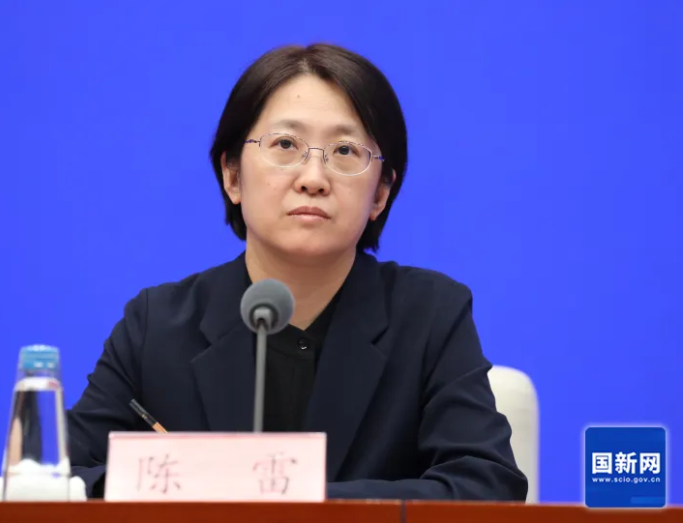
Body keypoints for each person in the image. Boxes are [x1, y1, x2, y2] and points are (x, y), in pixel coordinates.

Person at [67, 43, 528, 501]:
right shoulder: (157, 326)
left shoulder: (429, 316)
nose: (313, 178)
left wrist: (295, 501)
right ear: (232, 175)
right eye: (285, 145)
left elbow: (486, 486)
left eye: (344, 150)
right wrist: (169, 488)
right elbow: (59, 474)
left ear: (380, 194)